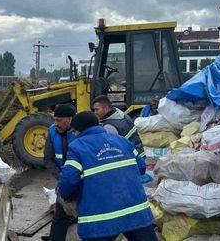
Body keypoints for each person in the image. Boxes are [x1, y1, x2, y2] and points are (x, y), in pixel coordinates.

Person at [57, 111, 157, 241]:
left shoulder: (78, 147)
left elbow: (68, 180)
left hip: (101, 218)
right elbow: (141, 168)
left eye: (74, 132)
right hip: (136, 212)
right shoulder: (123, 141)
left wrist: (65, 195)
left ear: (77, 130)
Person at [43, 103, 77, 241]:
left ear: (69, 119)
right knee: (59, 217)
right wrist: (61, 177)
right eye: (54, 119)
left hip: (81, 181)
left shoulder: (79, 132)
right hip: (64, 181)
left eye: (59, 120)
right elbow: (48, 159)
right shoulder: (52, 131)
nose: (55, 123)